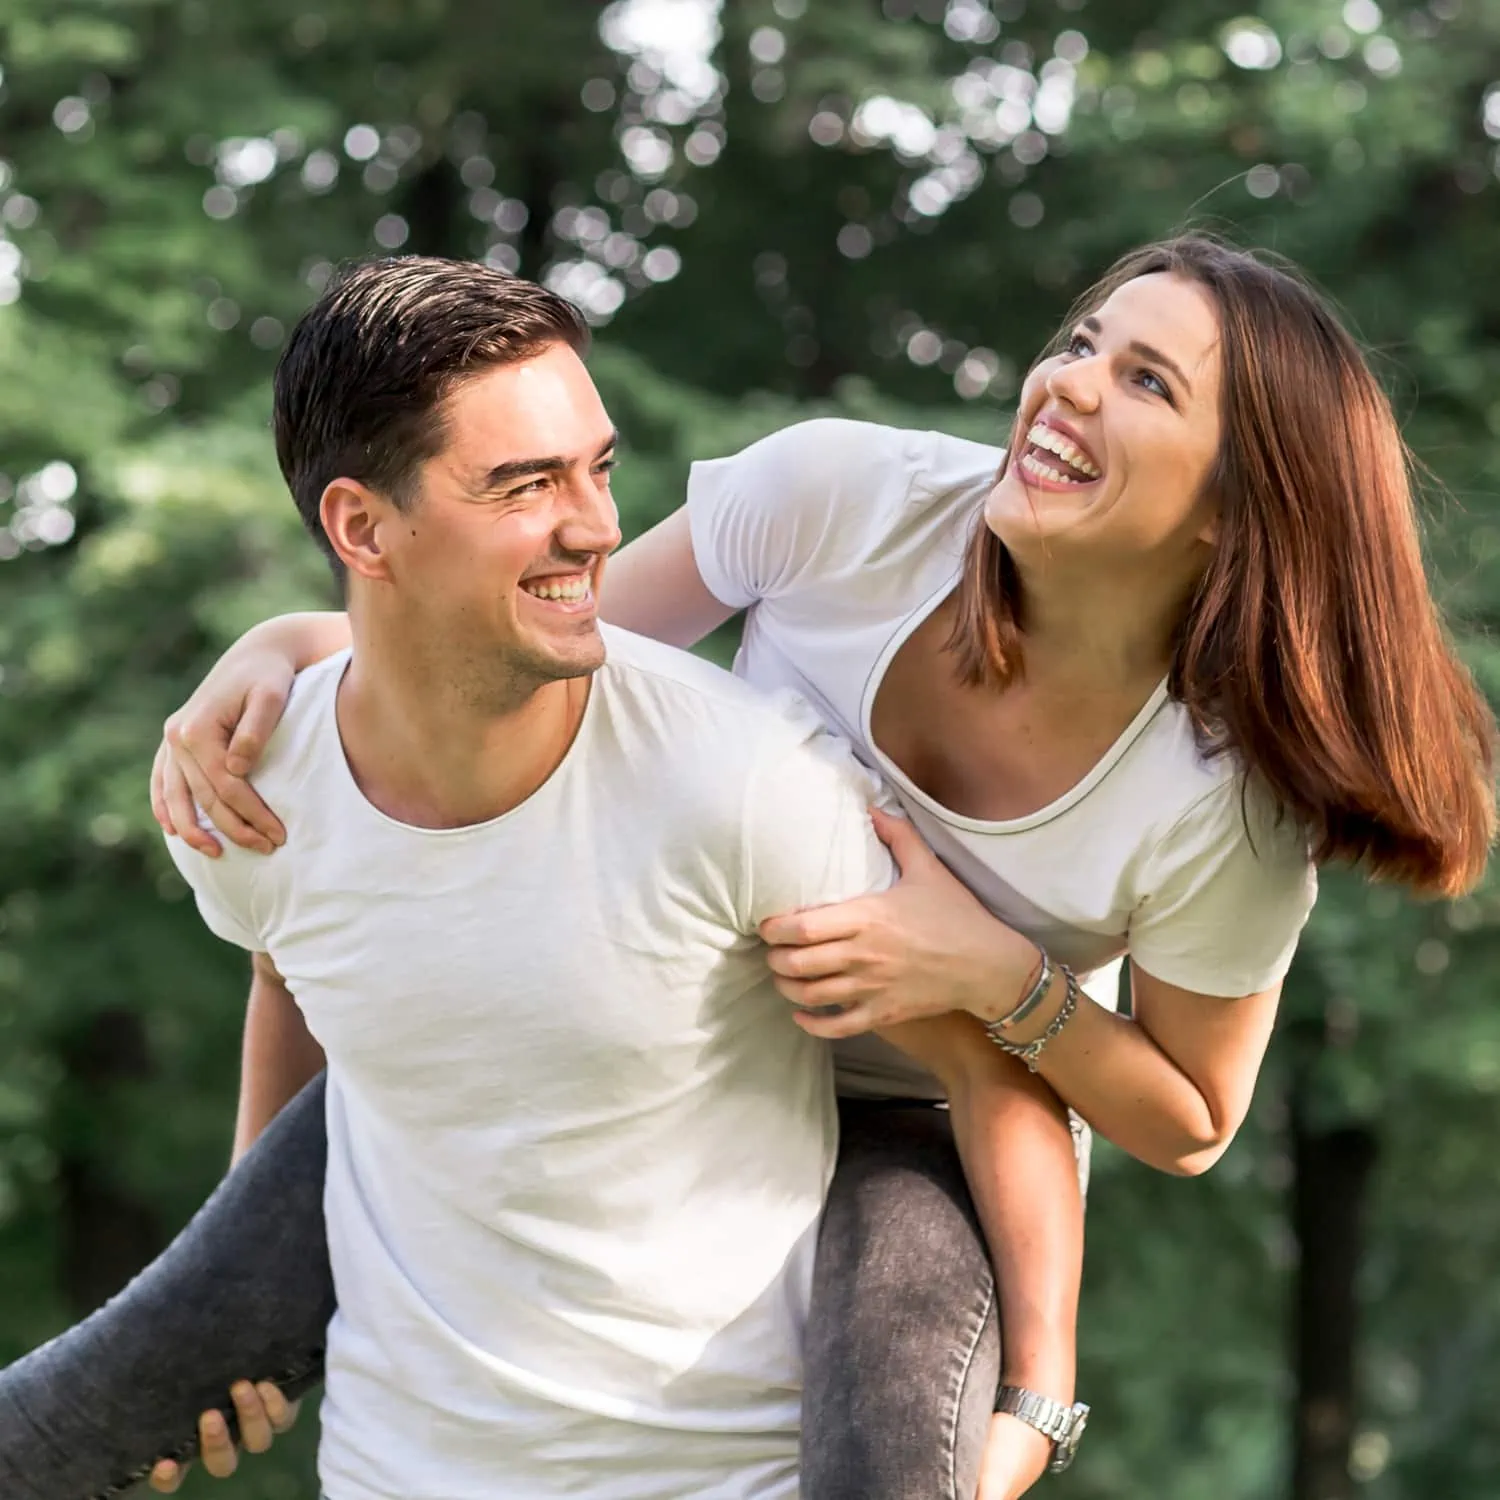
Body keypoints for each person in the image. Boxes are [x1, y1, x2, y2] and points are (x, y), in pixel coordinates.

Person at [0, 256, 1079, 1500]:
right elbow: (294, 977)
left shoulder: (740, 787)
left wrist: (1037, 1409)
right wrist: (240, 1302)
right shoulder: (258, 793)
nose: (596, 526)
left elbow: (985, 1071)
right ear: (362, 528)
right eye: (525, 485)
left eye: (597, 468)